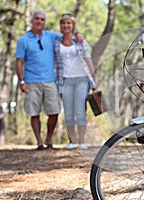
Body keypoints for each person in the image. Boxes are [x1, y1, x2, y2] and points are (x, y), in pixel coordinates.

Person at [15, 9, 83, 150]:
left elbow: (67, 36)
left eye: (42, 19)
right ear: (32, 21)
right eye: (37, 19)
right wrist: (21, 81)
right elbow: (19, 62)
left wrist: (77, 34)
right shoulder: (23, 40)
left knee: (54, 112)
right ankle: (39, 142)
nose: (39, 21)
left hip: (50, 80)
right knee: (34, 113)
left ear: (44, 22)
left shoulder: (51, 36)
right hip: (31, 81)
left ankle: (49, 138)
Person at [54, 13, 97, 150]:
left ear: (73, 25)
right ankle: (72, 141)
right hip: (64, 80)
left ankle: (82, 141)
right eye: (63, 23)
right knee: (68, 112)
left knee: (80, 110)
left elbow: (88, 59)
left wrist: (94, 76)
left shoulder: (80, 41)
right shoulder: (56, 43)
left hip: (81, 79)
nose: (66, 25)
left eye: (69, 23)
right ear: (60, 25)